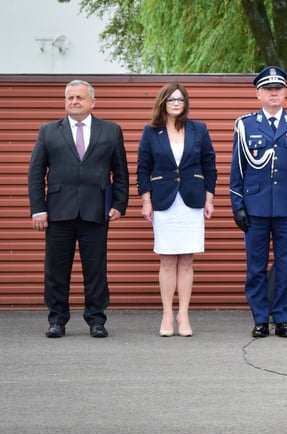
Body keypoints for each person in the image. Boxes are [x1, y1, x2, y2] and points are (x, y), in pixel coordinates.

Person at [28, 80, 129, 338]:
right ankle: (57, 320)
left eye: (80, 97)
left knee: (95, 269)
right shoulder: (48, 131)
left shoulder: (111, 131)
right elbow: (36, 174)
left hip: (96, 212)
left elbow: (121, 172)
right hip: (58, 213)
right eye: (70, 97)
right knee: (56, 270)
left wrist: (119, 204)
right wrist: (38, 209)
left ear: (92, 102)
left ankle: (96, 320)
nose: (74, 101)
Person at [230, 66, 287, 338]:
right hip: (254, 209)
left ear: (285, 93)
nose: (274, 94)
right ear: (259, 94)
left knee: (286, 267)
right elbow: (237, 171)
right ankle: (259, 319)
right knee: (255, 267)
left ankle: (282, 318)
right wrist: (238, 206)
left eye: (278, 89)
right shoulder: (245, 125)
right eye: (268, 89)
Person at [137, 83, 217, 337]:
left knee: (187, 260)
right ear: (163, 102)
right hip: (164, 201)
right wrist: (146, 200)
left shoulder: (199, 129)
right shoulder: (151, 132)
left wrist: (210, 199)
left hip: (192, 200)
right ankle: (167, 314)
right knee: (167, 259)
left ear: (185, 103)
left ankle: (183, 314)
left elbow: (209, 165)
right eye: (171, 99)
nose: (175, 103)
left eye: (180, 99)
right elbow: (142, 168)